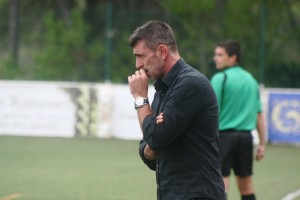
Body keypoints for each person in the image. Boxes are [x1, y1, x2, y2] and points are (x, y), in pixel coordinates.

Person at [127, 20, 225, 200]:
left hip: (197, 195)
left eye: (141, 56)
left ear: (162, 51)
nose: (138, 64)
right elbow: (149, 149)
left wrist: (140, 98)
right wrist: (151, 145)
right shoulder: (163, 89)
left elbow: (155, 138)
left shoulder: (190, 83)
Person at [210, 40, 266, 200]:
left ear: (233, 57)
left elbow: (210, 112)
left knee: (220, 184)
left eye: (220, 55)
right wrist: (262, 143)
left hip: (224, 138)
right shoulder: (251, 80)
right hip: (246, 139)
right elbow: (259, 115)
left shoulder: (221, 78)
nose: (215, 58)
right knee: (246, 185)